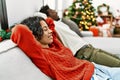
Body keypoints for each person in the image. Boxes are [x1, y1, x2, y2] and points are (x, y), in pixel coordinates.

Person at [11, 16, 120, 80]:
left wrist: (43, 24)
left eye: (48, 29)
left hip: (94, 67)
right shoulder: (41, 55)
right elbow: (19, 30)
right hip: (91, 78)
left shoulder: (54, 45)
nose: (50, 31)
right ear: (34, 35)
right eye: (45, 29)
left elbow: (50, 21)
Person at [39, 5, 120, 67]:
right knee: (118, 64)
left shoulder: (59, 23)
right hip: (84, 54)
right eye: (52, 11)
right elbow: (39, 16)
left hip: (89, 48)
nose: (55, 12)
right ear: (47, 16)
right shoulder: (51, 25)